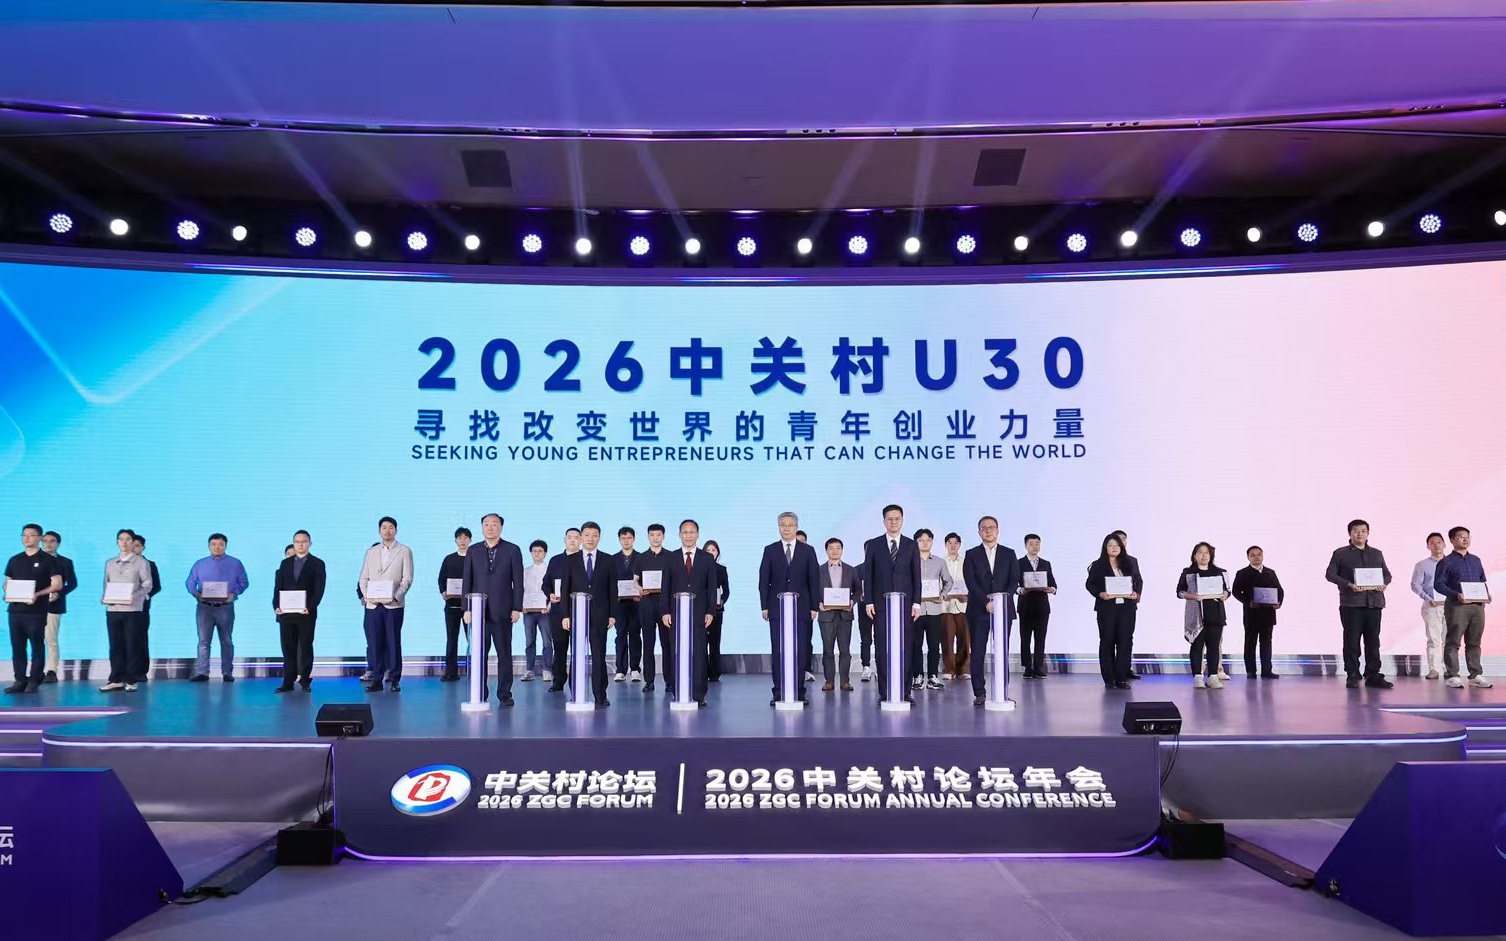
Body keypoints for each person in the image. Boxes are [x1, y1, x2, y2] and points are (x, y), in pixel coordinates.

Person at [460, 513, 524, 706]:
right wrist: (466, 608)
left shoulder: (512, 550)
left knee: (504, 653)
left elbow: (518, 582)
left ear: (501, 527)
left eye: (494, 524)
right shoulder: (473, 550)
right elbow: (467, 581)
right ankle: (480, 691)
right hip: (478, 611)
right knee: (479, 653)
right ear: (482, 528)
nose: (490, 527)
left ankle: (505, 693)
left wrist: (516, 607)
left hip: (503, 610)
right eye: (486, 524)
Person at [759, 511, 821, 706]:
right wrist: (764, 606)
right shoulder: (770, 550)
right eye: (783, 525)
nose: (786, 528)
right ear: (779, 527)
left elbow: (814, 580)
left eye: (790, 525)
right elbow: (764, 580)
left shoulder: (808, 550)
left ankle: (799, 692)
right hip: (776, 609)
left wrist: (814, 606)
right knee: (778, 650)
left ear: (796, 527)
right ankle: (778, 692)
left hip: (801, 609)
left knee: (800, 651)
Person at [1324, 519, 1394, 689]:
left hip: (1374, 603)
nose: (1360, 534)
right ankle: (1353, 674)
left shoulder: (1377, 553)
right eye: (1356, 531)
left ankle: (1373, 674)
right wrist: (1348, 584)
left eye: (1363, 531)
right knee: (1351, 641)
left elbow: (1387, 575)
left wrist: (1383, 583)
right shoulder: (1340, 553)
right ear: (1350, 533)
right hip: (1351, 603)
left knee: (1373, 641)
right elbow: (1330, 574)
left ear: (1368, 533)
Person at [864, 505, 922, 706]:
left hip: (905, 607)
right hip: (881, 606)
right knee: (882, 649)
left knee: (905, 648)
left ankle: (905, 692)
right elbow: (868, 576)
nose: (893, 522)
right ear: (884, 522)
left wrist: (916, 602)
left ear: (902, 520)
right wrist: (869, 601)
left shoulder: (911, 545)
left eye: (897, 518)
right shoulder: (874, 545)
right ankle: (885, 691)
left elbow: (916, 576)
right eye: (890, 519)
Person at [560, 522, 619, 708]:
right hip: (576, 616)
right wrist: (565, 615)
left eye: (594, 535)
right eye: (586, 535)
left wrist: (612, 614)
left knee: (599, 656)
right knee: (577, 655)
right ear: (581, 537)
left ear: (599, 538)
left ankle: (600, 695)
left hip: (600, 615)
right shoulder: (571, 560)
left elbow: (613, 589)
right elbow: (564, 589)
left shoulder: (608, 560)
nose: (590, 539)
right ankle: (576, 693)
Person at [964, 515, 1020, 705]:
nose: (988, 531)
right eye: (984, 528)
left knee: (1002, 651)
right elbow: (971, 581)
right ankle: (979, 693)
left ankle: (1002, 692)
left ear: (998, 530)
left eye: (991, 527)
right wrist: (986, 602)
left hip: (1004, 609)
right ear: (979, 532)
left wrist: (1001, 601)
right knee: (978, 652)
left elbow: (1014, 580)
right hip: (979, 610)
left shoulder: (1009, 553)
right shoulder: (971, 554)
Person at [661, 519, 716, 705]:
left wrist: (710, 612)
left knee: (699, 654)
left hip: (699, 615)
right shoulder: (670, 558)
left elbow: (712, 587)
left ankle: (699, 695)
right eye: (685, 532)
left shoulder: (707, 558)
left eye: (692, 532)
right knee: (677, 652)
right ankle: (679, 692)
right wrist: (665, 611)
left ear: (698, 534)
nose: (689, 535)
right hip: (676, 615)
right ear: (679, 535)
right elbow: (665, 587)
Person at [5, 524, 63, 694]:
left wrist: (38, 594)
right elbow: (7, 582)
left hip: (36, 612)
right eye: (24, 535)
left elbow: (57, 584)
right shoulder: (15, 560)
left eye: (31, 535)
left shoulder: (48, 560)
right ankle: (19, 680)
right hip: (15, 611)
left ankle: (34, 679)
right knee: (17, 647)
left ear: (39, 538)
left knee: (37, 646)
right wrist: (8, 592)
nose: (27, 538)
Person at [358, 516, 414, 692]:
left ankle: (395, 679)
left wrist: (395, 597)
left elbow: (407, 578)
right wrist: (368, 596)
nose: (387, 531)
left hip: (393, 605)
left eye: (391, 527)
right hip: (373, 606)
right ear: (379, 531)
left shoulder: (404, 551)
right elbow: (363, 578)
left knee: (393, 642)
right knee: (374, 643)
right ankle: (376, 679)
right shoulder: (371, 552)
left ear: (396, 530)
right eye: (384, 527)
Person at [184, 533, 249, 683]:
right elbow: (190, 582)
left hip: (225, 607)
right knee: (203, 642)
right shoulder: (200, 564)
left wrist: (234, 594)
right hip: (204, 607)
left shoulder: (235, 563)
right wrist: (196, 594)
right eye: (213, 544)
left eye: (220, 544)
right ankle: (202, 672)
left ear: (225, 545)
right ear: (209, 546)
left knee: (226, 641)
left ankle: (227, 672)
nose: (217, 547)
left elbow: (244, 582)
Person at [1433, 526, 1493, 689]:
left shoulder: (1476, 560)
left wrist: (1486, 594)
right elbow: (1438, 584)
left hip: (1477, 606)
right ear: (1452, 540)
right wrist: (1455, 594)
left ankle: (1475, 675)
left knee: (1474, 641)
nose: (1465, 539)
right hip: (1457, 605)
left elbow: (1481, 581)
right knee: (1453, 641)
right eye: (1460, 536)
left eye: (1467, 536)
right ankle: (1453, 675)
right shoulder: (1446, 562)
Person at [99, 529, 153, 692]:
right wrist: (105, 597)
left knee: (132, 645)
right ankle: (115, 678)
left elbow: (147, 585)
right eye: (121, 539)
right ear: (117, 542)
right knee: (115, 645)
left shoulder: (141, 563)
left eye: (128, 539)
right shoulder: (110, 563)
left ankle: (131, 679)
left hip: (133, 610)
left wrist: (133, 597)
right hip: (113, 609)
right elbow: (107, 583)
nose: (124, 542)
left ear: (133, 542)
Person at [1085, 534, 1141, 690]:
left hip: (1127, 608)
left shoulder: (1129, 563)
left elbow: (1137, 581)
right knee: (1107, 641)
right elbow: (1090, 584)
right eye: (1110, 545)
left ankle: (1121, 678)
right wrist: (1100, 594)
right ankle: (1109, 678)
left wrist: (1136, 594)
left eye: (1117, 545)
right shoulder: (1098, 565)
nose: (1114, 548)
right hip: (1107, 608)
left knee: (1125, 641)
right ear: (1105, 547)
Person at [272, 530, 326, 691]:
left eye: (304, 541)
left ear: (310, 543)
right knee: (288, 647)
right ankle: (288, 681)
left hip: (306, 613)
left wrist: (310, 607)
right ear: (293, 544)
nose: (300, 544)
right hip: (286, 614)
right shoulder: (285, 563)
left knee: (305, 646)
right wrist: (276, 605)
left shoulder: (317, 563)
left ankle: (305, 680)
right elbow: (278, 587)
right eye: (297, 542)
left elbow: (319, 589)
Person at [1178, 542, 1230, 689]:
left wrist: (1225, 594)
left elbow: (1227, 590)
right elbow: (1179, 591)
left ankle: (1213, 676)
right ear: (1194, 555)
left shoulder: (1219, 572)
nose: (1204, 555)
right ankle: (1197, 677)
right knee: (1197, 645)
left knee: (1214, 646)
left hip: (1215, 613)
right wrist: (1190, 595)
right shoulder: (1188, 572)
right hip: (1196, 615)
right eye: (1200, 552)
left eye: (1207, 552)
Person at [1231, 546, 1284, 679]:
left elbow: (1280, 590)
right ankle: (1251, 671)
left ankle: (1267, 671)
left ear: (1263, 555)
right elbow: (1236, 592)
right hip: (1251, 613)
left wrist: (1278, 602)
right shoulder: (1242, 573)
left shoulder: (1270, 572)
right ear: (1248, 557)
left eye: (1259, 554)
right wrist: (1248, 601)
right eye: (1253, 555)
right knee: (1250, 643)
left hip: (1268, 614)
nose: (1256, 557)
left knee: (1266, 643)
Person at [633, 524, 674, 693]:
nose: (655, 538)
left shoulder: (671, 556)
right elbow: (635, 580)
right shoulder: (641, 558)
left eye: (658, 535)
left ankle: (670, 681)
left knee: (667, 644)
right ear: (648, 537)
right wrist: (639, 589)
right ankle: (649, 681)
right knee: (648, 643)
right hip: (647, 602)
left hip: (666, 604)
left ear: (663, 536)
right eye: (652, 535)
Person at [817, 537, 858, 692]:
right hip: (826, 616)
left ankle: (845, 681)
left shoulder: (850, 569)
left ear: (842, 550)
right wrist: (818, 604)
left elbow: (858, 590)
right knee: (828, 650)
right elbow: (812, 590)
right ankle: (829, 681)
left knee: (845, 650)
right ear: (826, 550)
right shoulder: (818, 570)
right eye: (831, 548)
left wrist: (852, 602)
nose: (835, 551)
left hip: (845, 615)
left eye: (838, 548)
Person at [912, 529, 951, 690]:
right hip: (916, 611)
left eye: (928, 540)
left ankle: (933, 676)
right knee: (915, 645)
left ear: (932, 542)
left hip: (935, 610)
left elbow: (948, 581)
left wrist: (942, 595)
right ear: (916, 542)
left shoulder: (939, 562)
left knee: (934, 645)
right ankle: (917, 676)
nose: (925, 543)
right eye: (921, 540)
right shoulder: (910, 561)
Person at [544, 528, 581, 691]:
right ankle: (558, 680)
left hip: (579, 610)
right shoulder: (555, 560)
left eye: (576, 537)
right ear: (564, 540)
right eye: (569, 537)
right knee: (559, 647)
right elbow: (546, 583)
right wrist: (550, 594)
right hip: (558, 611)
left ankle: (576, 681)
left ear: (581, 540)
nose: (572, 540)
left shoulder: (585, 560)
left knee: (577, 648)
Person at [1409, 533, 1449, 680]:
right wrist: (1427, 597)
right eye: (1432, 542)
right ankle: (1433, 669)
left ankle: (1449, 669)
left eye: (1439, 542)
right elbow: (1415, 584)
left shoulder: (1453, 563)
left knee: (1450, 640)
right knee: (1433, 638)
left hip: (1452, 606)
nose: (1436, 545)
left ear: (1445, 544)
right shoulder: (1422, 565)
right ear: (1428, 546)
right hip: (1432, 606)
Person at [40, 531, 77, 684]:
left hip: (53, 605)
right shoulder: (33, 559)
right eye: (45, 541)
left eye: (52, 541)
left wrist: (58, 593)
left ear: (58, 543)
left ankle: (51, 670)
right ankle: (36, 670)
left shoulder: (64, 562)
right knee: (35, 639)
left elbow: (72, 583)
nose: (48, 544)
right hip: (32, 605)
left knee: (51, 639)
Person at [1017, 533, 1056, 679]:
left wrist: (1051, 589)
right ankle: (1027, 667)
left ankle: (1039, 667)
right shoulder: (1018, 563)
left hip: (1042, 606)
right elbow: (1013, 584)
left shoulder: (1046, 563)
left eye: (1037, 543)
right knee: (1025, 638)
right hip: (1025, 606)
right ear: (1025, 546)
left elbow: (1053, 584)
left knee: (1040, 638)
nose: (1035, 546)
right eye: (1031, 544)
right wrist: (1021, 590)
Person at [438, 527, 472, 682]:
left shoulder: (475, 558)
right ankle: (451, 671)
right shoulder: (449, 559)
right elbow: (441, 579)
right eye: (460, 538)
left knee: (473, 640)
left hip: (470, 608)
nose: (462, 541)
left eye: (465, 538)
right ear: (455, 541)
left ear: (470, 540)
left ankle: (475, 670)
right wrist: (444, 592)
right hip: (451, 606)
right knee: (451, 639)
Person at [520, 539, 553, 684]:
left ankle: (547, 670)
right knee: (529, 640)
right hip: (528, 611)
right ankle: (529, 669)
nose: (537, 554)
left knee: (547, 641)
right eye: (534, 551)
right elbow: (521, 590)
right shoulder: (525, 571)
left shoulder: (549, 570)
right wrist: (521, 605)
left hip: (545, 611)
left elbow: (553, 590)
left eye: (540, 551)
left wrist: (549, 605)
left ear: (545, 553)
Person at [130, 534, 161, 683]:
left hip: (142, 607)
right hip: (123, 607)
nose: (134, 549)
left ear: (143, 548)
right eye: (132, 545)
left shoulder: (150, 564)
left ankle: (141, 671)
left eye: (137, 546)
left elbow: (156, 586)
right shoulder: (120, 564)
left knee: (140, 638)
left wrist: (144, 596)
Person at [612, 527, 640, 682]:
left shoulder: (641, 557)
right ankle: (620, 670)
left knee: (635, 634)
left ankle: (635, 668)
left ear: (634, 539)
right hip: (619, 604)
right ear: (619, 540)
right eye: (623, 538)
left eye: (629, 538)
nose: (626, 541)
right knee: (620, 635)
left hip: (637, 603)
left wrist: (641, 592)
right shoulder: (612, 559)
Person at [940, 533, 969, 680]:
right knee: (947, 639)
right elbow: (937, 583)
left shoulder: (967, 562)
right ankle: (949, 670)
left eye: (956, 543)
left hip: (963, 605)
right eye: (950, 543)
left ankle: (963, 669)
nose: (953, 545)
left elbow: (971, 582)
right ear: (946, 545)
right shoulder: (940, 562)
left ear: (959, 545)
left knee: (965, 639)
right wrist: (945, 595)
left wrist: (968, 595)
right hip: (946, 605)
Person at [705, 540, 730, 682]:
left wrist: (722, 600)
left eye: (713, 550)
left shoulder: (721, 569)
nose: (711, 553)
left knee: (715, 643)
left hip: (717, 610)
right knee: (701, 643)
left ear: (717, 553)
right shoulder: (699, 568)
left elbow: (726, 590)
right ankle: (702, 671)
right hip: (701, 611)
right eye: (708, 550)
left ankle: (714, 673)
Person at [856, 571, 874, 682]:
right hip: (863, 609)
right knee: (865, 639)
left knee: (881, 640)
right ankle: (866, 667)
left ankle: (881, 667)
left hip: (880, 608)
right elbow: (854, 589)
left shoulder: (882, 569)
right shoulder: (858, 570)